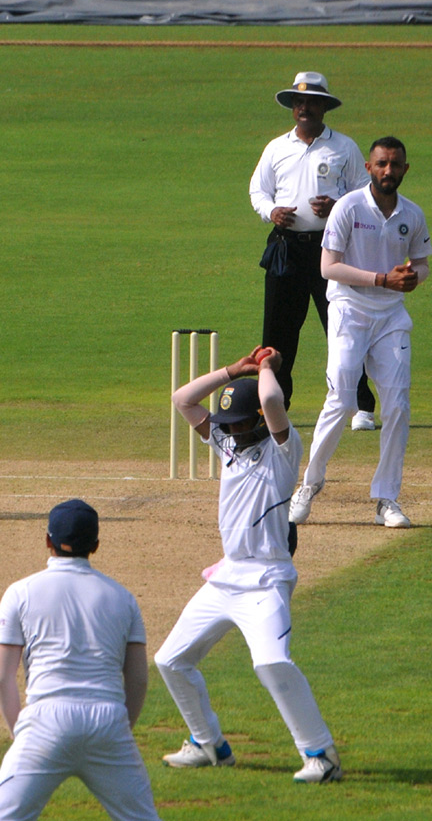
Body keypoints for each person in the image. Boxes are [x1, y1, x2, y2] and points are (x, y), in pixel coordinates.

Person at [157, 346, 342, 784]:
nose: (233, 431)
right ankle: (209, 745)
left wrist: (265, 368)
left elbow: (274, 401)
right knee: (171, 660)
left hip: (266, 581)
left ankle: (322, 756)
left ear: (258, 419)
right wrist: (232, 370)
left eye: (241, 423)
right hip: (226, 577)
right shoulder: (226, 445)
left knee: (271, 662)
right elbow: (183, 399)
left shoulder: (283, 451)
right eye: (229, 425)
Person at [0, 499, 161, 821]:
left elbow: (1, 678)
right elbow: (137, 679)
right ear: (95, 545)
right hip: (107, 721)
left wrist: (18, 732)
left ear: (47, 541)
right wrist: (119, 730)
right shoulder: (124, 598)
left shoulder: (19, 592)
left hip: (44, 722)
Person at [289, 137, 430, 528]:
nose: (388, 170)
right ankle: (309, 485)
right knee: (342, 400)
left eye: (396, 164)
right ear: (369, 168)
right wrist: (383, 278)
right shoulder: (348, 208)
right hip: (349, 311)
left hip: (390, 318)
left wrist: (411, 279)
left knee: (398, 404)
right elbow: (328, 267)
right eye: (382, 163)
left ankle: (387, 499)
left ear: (404, 169)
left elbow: (421, 263)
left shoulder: (412, 214)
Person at [249, 71, 376, 428]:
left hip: (330, 249)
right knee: (277, 333)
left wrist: (336, 206)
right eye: (299, 102)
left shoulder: (344, 147)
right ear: (293, 108)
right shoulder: (277, 147)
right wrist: (270, 212)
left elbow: (364, 193)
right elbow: (259, 191)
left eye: (312, 102)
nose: (305, 108)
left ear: (324, 108)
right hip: (286, 248)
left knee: (343, 327)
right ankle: (274, 407)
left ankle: (362, 406)